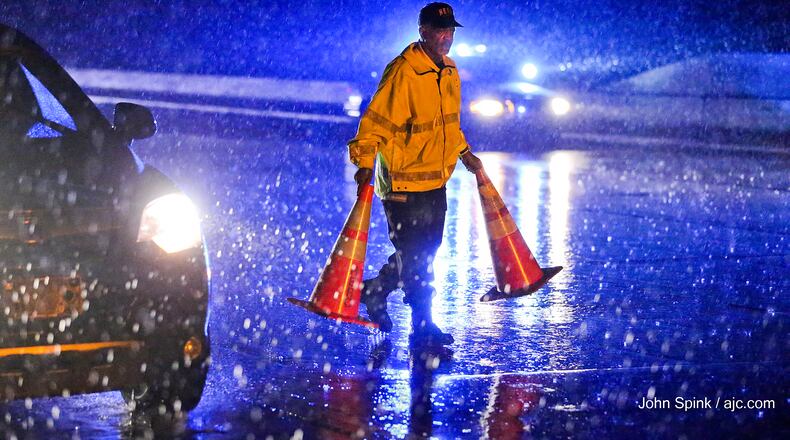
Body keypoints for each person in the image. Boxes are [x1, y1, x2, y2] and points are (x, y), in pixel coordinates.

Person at [347, 2, 483, 346]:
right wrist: (364, 162)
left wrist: (465, 154)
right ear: (422, 32)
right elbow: (375, 121)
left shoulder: (449, 71)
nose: (446, 38)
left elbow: (449, 125)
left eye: (450, 31)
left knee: (426, 249)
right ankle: (423, 326)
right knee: (417, 255)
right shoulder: (404, 71)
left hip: (435, 181)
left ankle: (375, 290)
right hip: (401, 181)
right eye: (440, 31)